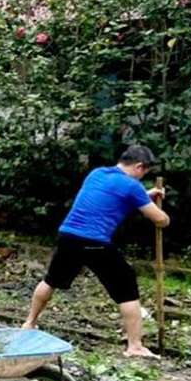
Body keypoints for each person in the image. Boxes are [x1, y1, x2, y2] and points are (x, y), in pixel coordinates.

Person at [24, 145, 169, 358]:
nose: (143, 176)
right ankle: (135, 346)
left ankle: (29, 323)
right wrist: (163, 216)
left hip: (67, 234)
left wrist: (145, 195)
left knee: (51, 280)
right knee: (126, 285)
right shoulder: (132, 186)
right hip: (94, 241)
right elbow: (159, 219)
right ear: (139, 166)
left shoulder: (98, 173)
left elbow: (112, 199)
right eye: (144, 172)